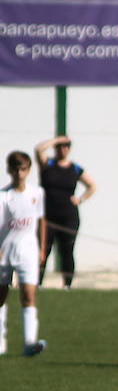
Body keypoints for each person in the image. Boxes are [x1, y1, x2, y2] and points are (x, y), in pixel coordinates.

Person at [0, 151, 47, 356]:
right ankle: (0, 341)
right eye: (16, 169)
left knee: (28, 294)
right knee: (1, 296)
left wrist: (42, 248)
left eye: (24, 169)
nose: (20, 173)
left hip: (28, 251)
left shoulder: (37, 193)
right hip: (5, 252)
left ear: (29, 170)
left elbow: (41, 220)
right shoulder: (3, 196)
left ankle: (30, 342)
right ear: (9, 170)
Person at [34, 135, 96, 289]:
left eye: (66, 146)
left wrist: (80, 199)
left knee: (67, 250)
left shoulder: (75, 168)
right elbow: (38, 149)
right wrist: (56, 140)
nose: (63, 149)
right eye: (60, 146)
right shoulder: (48, 164)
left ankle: (67, 284)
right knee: (44, 249)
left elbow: (92, 186)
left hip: (68, 216)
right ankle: (38, 282)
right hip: (47, 215)